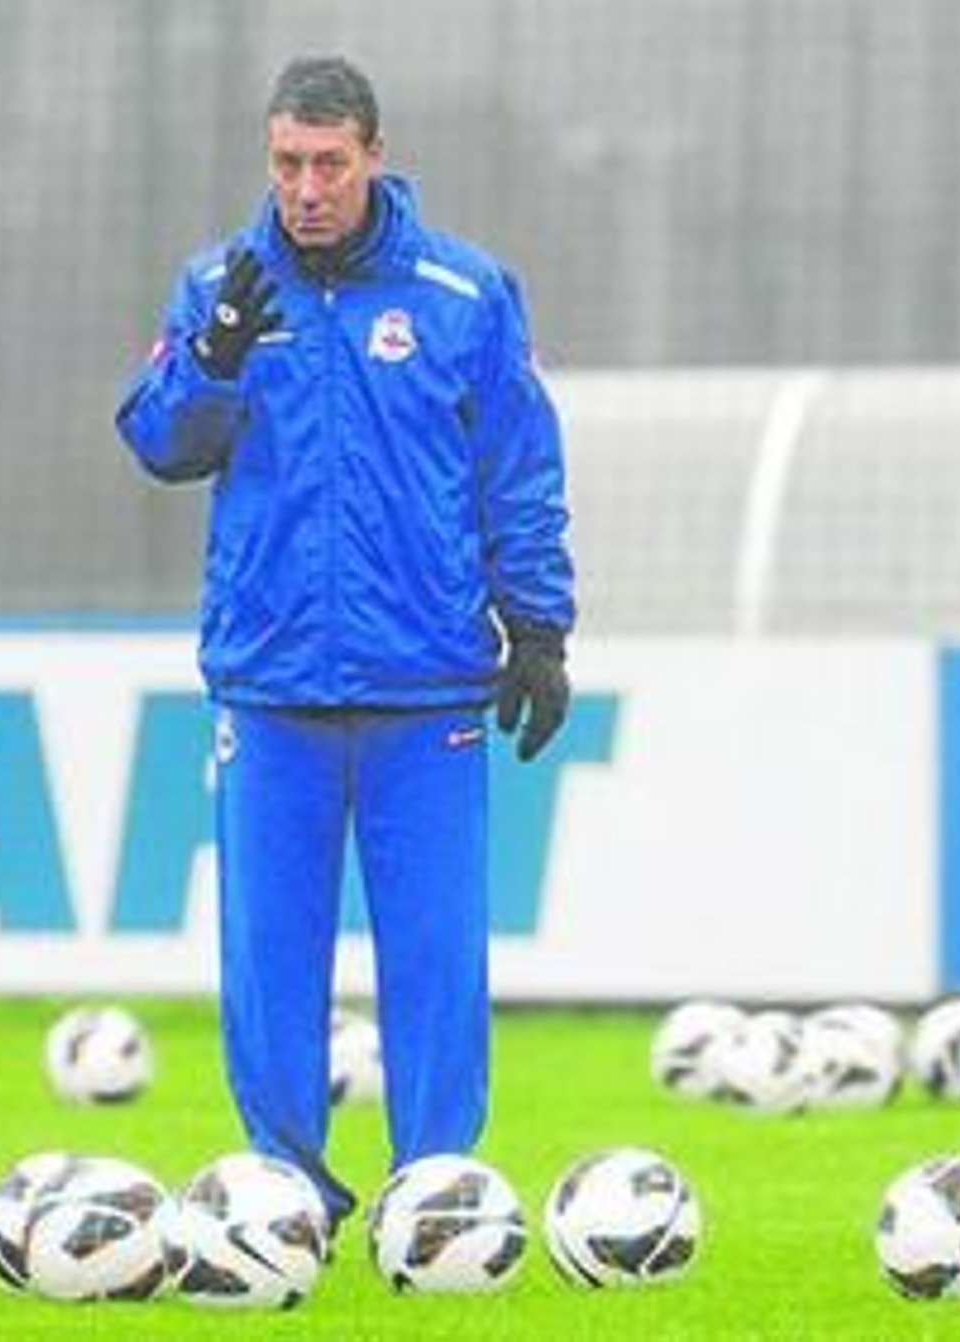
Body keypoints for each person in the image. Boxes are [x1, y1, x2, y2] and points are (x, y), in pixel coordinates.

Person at [116, 56, 576, 1230]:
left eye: (327, 163)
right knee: (270, 959)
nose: (305, 188)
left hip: (427, 684)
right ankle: (284, 1190)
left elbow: (518, 470)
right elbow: (162, 444)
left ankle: (434, 1192)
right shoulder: (218, 286)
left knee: (434, 955)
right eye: (285, 164)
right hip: (270, 680)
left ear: (373, 154)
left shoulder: (462, 293)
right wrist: (212, 359)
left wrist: (538, 622)